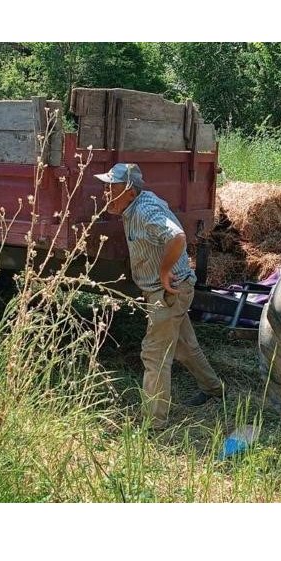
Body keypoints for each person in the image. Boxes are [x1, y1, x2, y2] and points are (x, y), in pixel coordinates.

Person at [95, 162, 224, 429]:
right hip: (175, 290)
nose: (106, 194)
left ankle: (153, 423)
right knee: (184, 347)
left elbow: (176, 237)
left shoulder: (144, 211)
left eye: (112, 188)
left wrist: (165, 271)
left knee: (154, 355)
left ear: (129, 191)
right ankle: (214, 389)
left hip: (167, 292)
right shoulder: (135, 204)